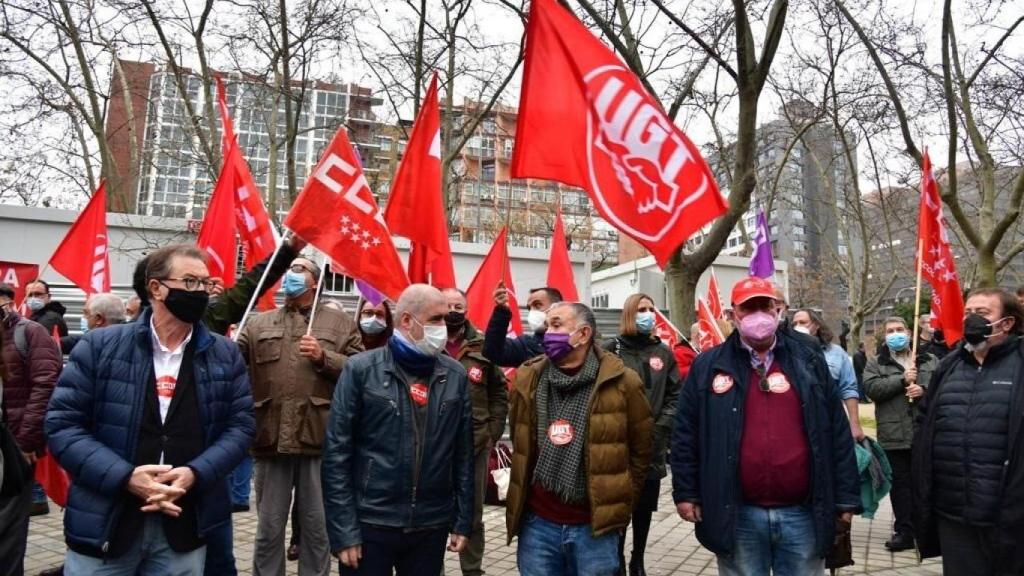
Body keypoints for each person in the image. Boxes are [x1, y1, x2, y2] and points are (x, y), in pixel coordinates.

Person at [45, 244, 255, 575]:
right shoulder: (100, 347)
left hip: (184, 525)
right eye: (189, 282)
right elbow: (63, 427)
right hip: (107, 523)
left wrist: (195, 473)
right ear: (155, 288)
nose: (200, 292)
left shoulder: (224, 354)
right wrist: (125, 476)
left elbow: (241, 428)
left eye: (205, 283)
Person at [672, 276, 861, 575]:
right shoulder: (707, 365)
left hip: (803, 514)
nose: (758, 314)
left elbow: (836, 431)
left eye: (765, 306)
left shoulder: (808, 358)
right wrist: (686, 492)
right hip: (737, 514)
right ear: (733, 315)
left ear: (778, 311)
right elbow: (686, 434)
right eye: (749, 308)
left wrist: (847, 497)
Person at [322, 284, 474, 576]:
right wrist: (343, 530)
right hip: (371, 522)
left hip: (430, 525)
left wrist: (462, 519)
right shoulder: (361, 369)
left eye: (446, 318)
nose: (445, 326)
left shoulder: (454, 374)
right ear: (406, 320)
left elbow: (463, 454)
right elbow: (336, 454)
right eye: (436, 319)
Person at [236, 256, 363, 576]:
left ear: (315, 282)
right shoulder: (258, 323)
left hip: (318, 438)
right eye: (290, 268)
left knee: (316, 529)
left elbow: (361, 371)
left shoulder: (340, 323)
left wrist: (325, 358)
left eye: (300, 269)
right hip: (270, 438)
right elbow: (234, 370)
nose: (291, 274)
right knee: (267, 530)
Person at [505, 301, 652, 576]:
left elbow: (641, 452)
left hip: (594, 529)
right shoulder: (528, 378)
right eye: (548, 325)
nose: (547, 332)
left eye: (557, 325)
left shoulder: (623, 383)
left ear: (583, 334)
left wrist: (618, 505)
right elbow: (520, 439)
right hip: (538, 525)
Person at [913, 288, 1024, 575]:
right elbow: (925, 424)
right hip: (953, 513)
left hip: (1009, 515)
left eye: (982, 314)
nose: (972, 320)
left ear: (1007, 323)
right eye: (968, 313)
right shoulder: (949, 366)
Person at [602, 294, 681, 576]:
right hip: (619, 445)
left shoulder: (663, 352)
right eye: (641, 309)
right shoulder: (611, 349)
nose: (648, 314)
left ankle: (638, 558)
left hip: (653, 444)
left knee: (644, 507)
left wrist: (660, 428)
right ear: (628, 314)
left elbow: (675, 396)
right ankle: (618, 559)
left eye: (651, 309)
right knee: (620, 507)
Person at [441, 287, 508, 576]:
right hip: (434, 444)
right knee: (433, 510)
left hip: (475, 442)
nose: (453, 311)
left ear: (466, 310)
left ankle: (472, 568)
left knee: (473, 513)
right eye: (447, 305)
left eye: (458, 306)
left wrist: (492, 431)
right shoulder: (426, 342)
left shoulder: (483, 345)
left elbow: (499, 391)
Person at [0, 282, 61, 571]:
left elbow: (46, 384)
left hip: (12, 448)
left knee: (8, 537)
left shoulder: (29, 332)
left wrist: (25, 442)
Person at [863, 316, 938, 553]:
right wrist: (901, 380)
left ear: (908, 332)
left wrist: (924, 390)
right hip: (893, 433)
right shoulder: (876, 363)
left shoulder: (928, 359)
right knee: (901, 486)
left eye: (899, 329)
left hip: (924, 433)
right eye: (890, 330)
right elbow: (872, 389)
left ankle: (925, 529)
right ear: (884, 336)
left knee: (925, 483)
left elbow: (942, 388)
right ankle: (904, 530)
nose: (895, 334)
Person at [792, 308, 864, 441]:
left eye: (802, 322)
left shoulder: (836, 353)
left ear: (816, 325)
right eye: (794, 324)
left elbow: (848, 389)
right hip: (796, 426)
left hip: (830, 423)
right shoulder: (787, 353)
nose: (798, 327)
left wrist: (855, 425)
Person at [482, 285, 562, 367]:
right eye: (529, 309)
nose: (532, 312)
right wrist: (502, 312)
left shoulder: (573, 341)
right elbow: (493, 352)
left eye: (537, 305)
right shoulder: (526, 346)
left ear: (556, 308)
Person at [60, 293, 126, 354]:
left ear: (98, 319)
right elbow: (78, 340)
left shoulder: (94, 353)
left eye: (86, 313)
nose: (83, 317)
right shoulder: (127, 341)